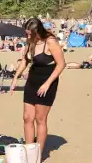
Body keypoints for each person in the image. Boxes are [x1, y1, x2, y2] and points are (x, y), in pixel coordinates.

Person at [10, 18, 65, 156]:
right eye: (26, 34)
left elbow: (61, 64)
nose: (28, 37)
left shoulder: (50, 42)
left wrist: (47, 83)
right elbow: (25, 61)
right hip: (32, 81)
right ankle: (29, 150)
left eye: (30, 34)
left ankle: (38, 154)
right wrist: (16, 77)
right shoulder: (31, 42)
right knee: (27, 117)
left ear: (37, 31)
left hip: (47, 83)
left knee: (40, 119)